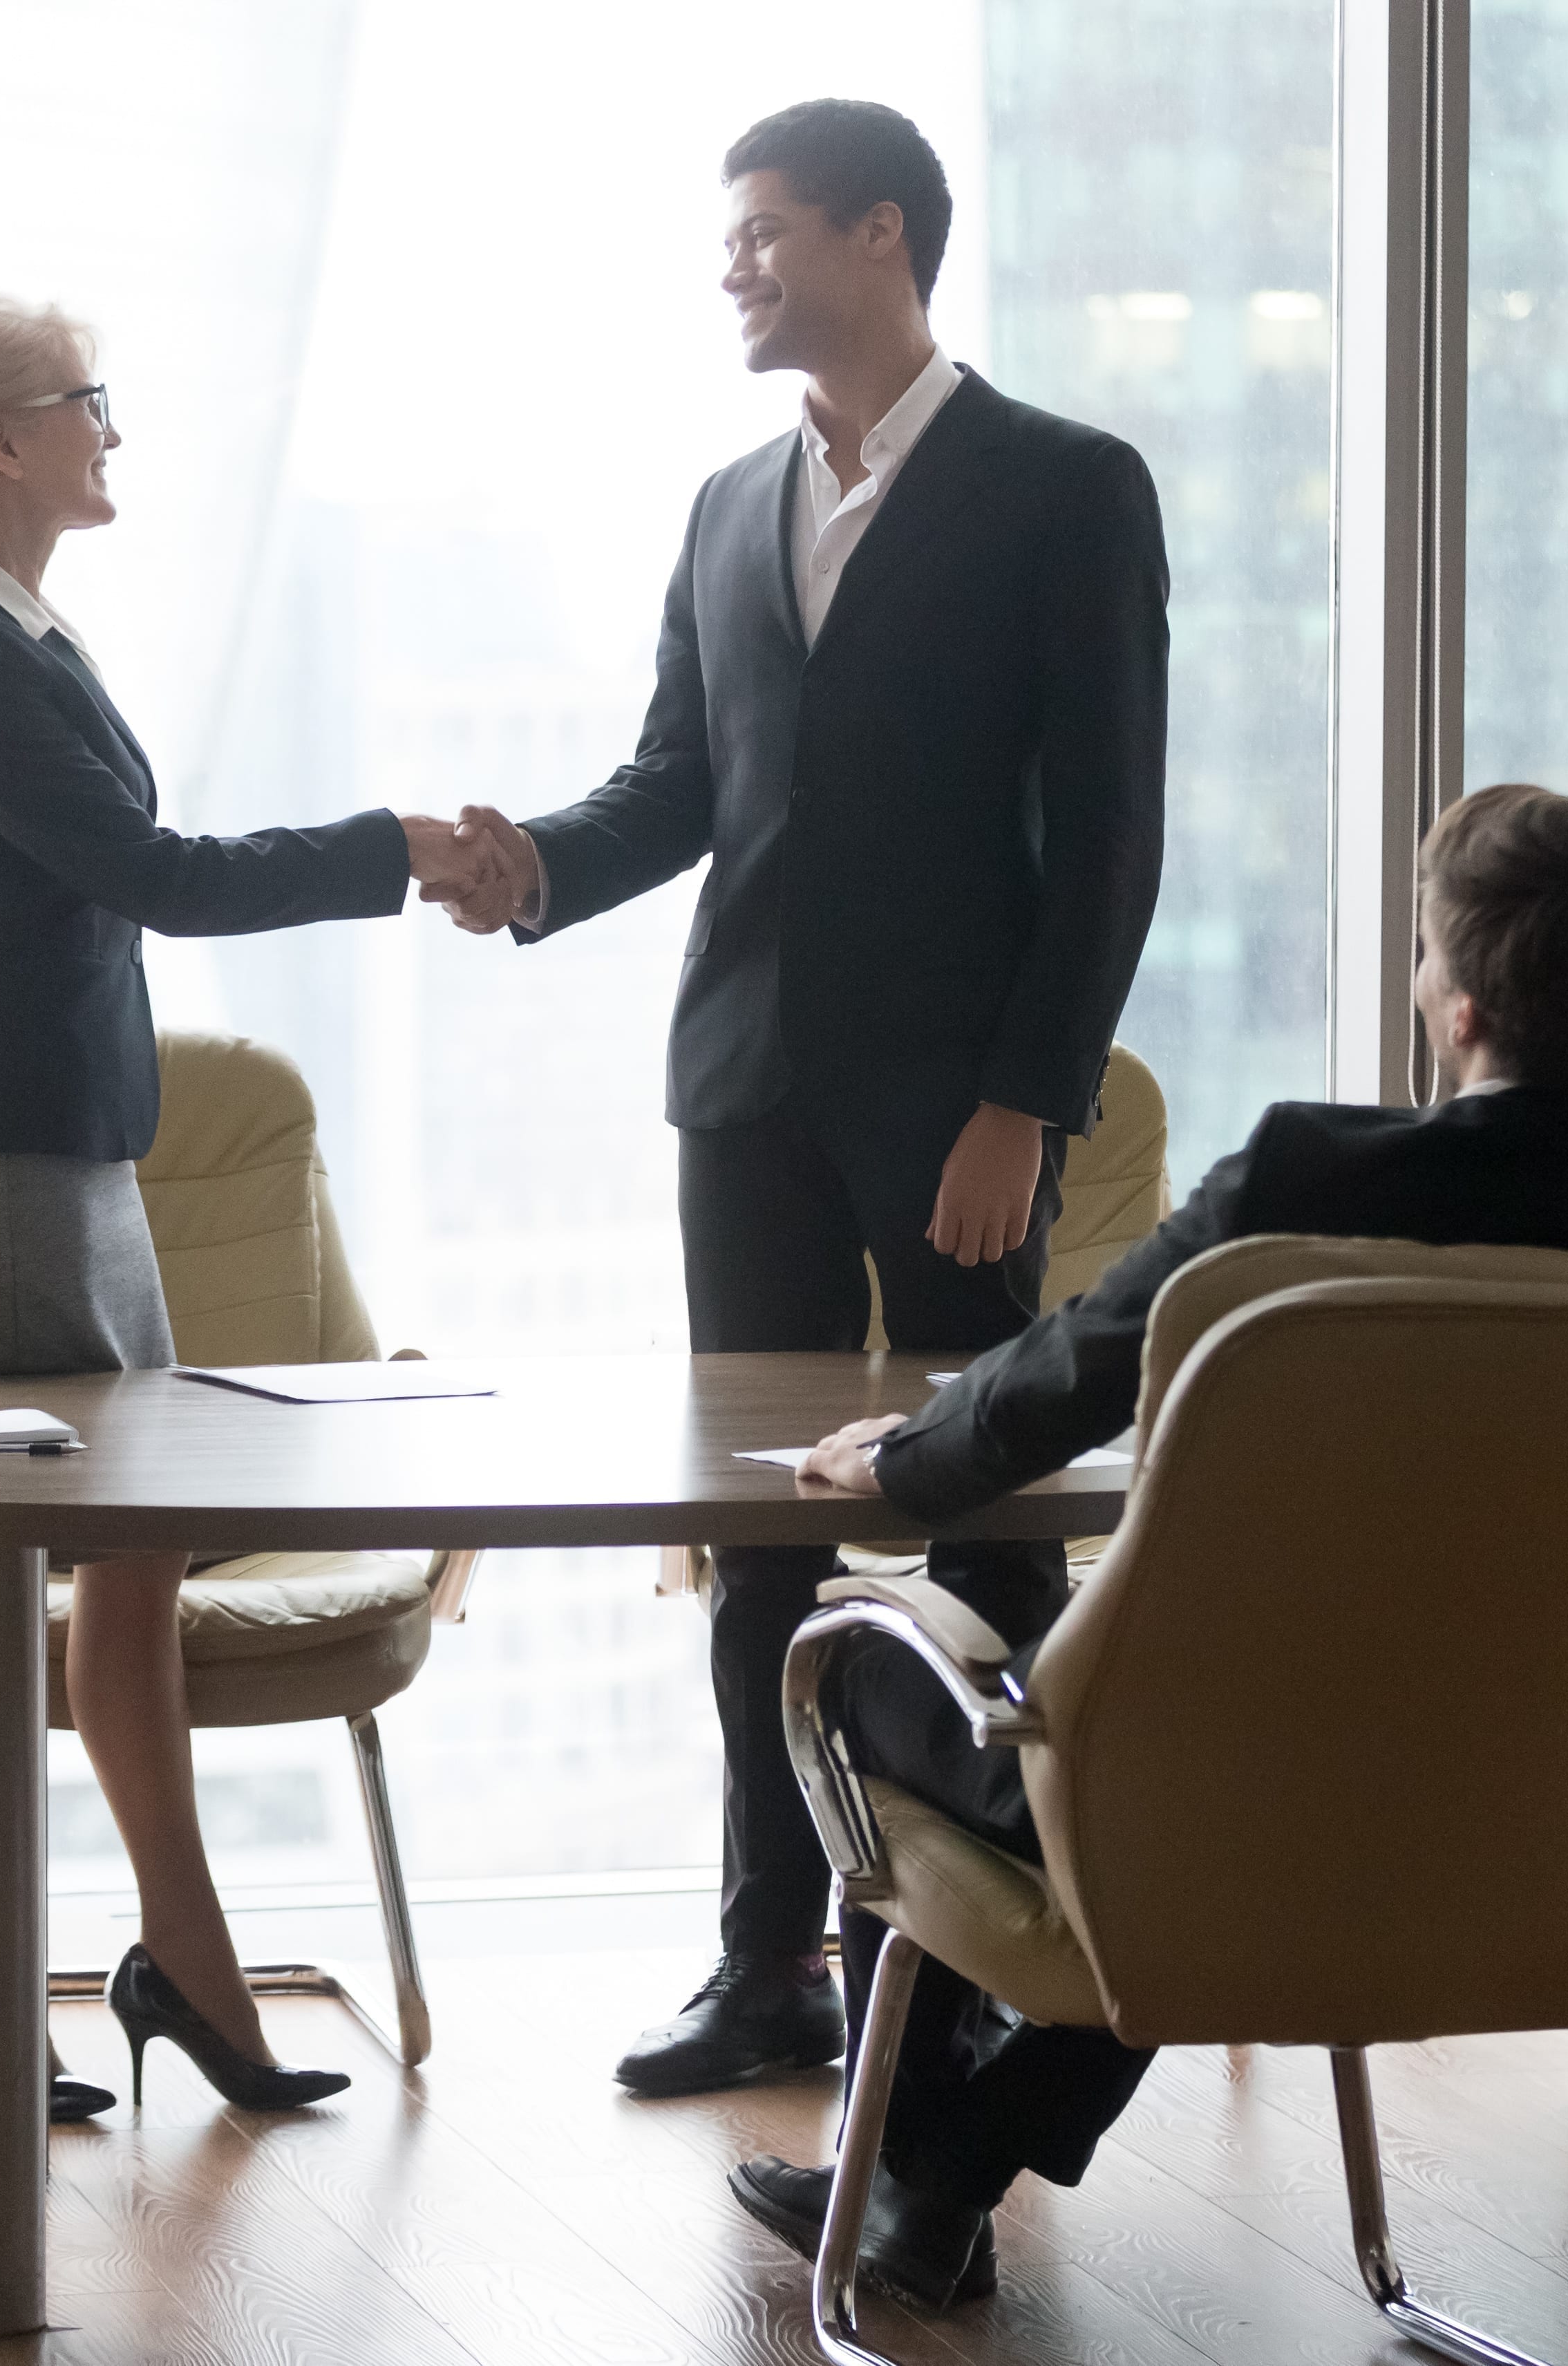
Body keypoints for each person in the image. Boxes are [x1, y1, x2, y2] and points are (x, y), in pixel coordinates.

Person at [720, 784, 1568, 2310]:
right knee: (1217, 1781)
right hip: (1538, 1813)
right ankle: (940, 2174)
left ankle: (902, 2172)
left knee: (868, 1679)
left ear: (1456, 1002)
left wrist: (889, 1457)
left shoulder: (1306, 1177)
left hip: (1215, 1805)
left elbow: (1055, 1377)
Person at [434, 99, 1171, 2098]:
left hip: (958, 1110)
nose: (733, 268)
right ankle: (764, 1962)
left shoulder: (1064, 486)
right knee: (752, 1538)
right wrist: (531, 877)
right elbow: (681, 785)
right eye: (728, 238)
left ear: (880, 235)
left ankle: (958, 1960)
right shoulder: (721, 504)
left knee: (978, 1519)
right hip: (740, 1086)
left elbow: (1110, 834)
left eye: (763, 233)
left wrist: (1027, 1104)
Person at [0, 279, 496, 2116]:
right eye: (84, 400)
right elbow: (152, 874)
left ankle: (174, 1965)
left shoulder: (4, 624)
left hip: (57, 1137)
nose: (109, 429)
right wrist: (394, 850)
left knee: (124, 1553)